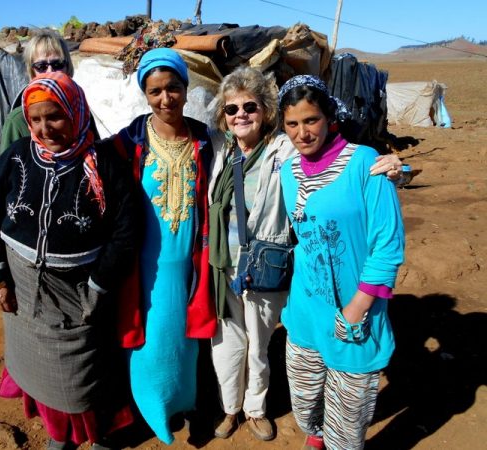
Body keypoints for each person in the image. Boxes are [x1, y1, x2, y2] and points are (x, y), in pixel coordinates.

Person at [0, 72, 137, 450]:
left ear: (76, 112)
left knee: (86, 371)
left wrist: (99, 283)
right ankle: (58, 435)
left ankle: (100, 434)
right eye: (36, 119)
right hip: (23, 291)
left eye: (55, 116)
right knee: (38, 368)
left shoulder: (105, 165)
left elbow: (125, 232)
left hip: (79, 291)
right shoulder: (15, 157)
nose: (45, 128)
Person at [277, 75, 405, 450]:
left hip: (355, 313)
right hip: (304, 309)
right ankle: (316, 435)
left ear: (329, 117)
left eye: (311, 120)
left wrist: (356, 309)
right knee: (303, 406)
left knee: (347, 428)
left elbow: (387, 245)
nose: (303, 133)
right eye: (292, 124)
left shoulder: (367, 164)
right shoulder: (288, 171)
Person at [100, 47, 217, 445]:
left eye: (173, 88)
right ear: (144, 94)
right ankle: (151, 412)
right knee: (149, 342)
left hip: (190, 265)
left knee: (186, 344)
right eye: (155, 91)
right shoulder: (126, 144)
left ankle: (183, 404)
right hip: (143, 268)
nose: (165, 99)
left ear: (186, 89)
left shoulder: (205, 140)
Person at [208, 66, 294, 441]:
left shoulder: (284, 149)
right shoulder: (219, 150)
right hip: (222, 265)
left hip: (263, 266)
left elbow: (329, 154)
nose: (240, 114)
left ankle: (255, 408)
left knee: (259, 345)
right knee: (227, 343)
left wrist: (377, 161)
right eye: (231, 108)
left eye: (249, 106)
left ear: (266, 111)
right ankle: (230, 408)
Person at [0, 28, 99, 163]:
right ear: (32, 73)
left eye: (57, 64)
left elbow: (96, 154)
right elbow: (6, 173)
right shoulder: (18, 121)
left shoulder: (80, 112)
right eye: (41, 66)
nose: (50, 72)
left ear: (68, 69)